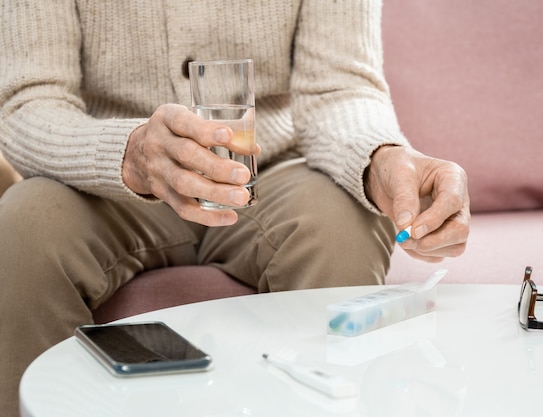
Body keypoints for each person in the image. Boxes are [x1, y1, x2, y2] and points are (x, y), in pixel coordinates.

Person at [0, 1, 470, 415]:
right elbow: (28, 101)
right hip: (104, 172)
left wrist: (382, 158)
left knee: (340, 227)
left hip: (275, 172)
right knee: (22, 228)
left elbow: (339, 89)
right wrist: (131, 153)